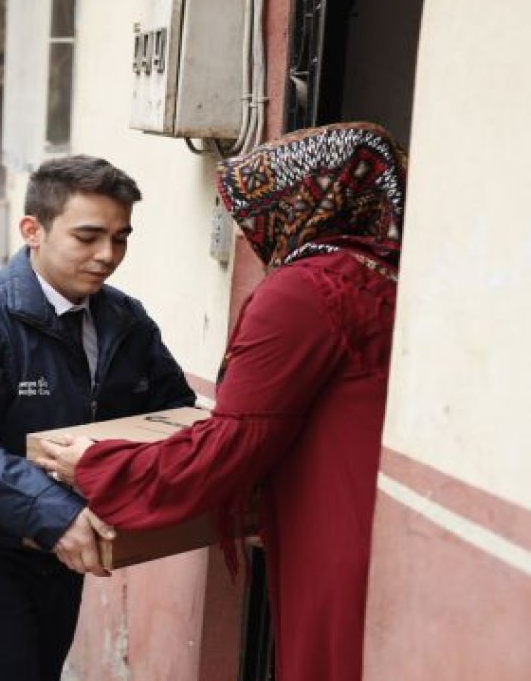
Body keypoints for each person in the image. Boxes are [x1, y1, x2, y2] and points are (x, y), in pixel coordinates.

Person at [35, 122, 406, 681]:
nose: (255, 230)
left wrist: (99, 465)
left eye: (256, 212)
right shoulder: (388, 275)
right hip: (383, 529)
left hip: (335, 535)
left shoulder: (306, 288)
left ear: (299, 202)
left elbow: (237, 439)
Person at [0, 155, 196, 680]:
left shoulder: (125, 319)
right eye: (88, 237)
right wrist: (53, 513)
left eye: (120, 237)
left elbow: (169, 417)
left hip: (58, 553)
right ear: (32, 230)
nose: (107, 255)